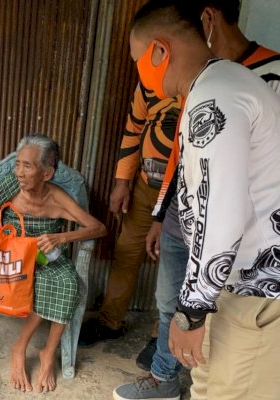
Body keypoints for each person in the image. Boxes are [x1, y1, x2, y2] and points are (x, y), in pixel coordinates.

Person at [113, 1, 280, 399]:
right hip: (247, 286)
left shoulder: (214, 98)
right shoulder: (224, 84)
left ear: (160, 51)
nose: (141, 74)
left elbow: (221, 211)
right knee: (210, 385)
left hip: (266, 293)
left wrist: (191, 309)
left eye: (137, 60)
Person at [0, 134, 107, 393]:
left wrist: (62, 237)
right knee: (36, 281)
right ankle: (19, 348)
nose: (19, 172)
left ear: (47, 173)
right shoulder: (8, 187)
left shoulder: (57, 197)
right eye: (17, 164)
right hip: (11, 257)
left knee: (66, 281)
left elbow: (98, 228)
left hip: (43, 258)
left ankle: (48, 352)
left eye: (27, 166)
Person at [77, 79, 181, 352]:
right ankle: (110, 322)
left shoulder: (203, 82)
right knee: (127, 251)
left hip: (185, 194)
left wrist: (161, 218)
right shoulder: (148, 82)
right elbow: (134, 130)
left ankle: (163, 338)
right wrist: (122, 181)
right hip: (146, 188)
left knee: (174, 260)